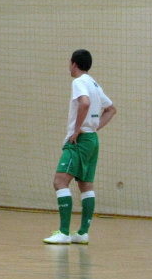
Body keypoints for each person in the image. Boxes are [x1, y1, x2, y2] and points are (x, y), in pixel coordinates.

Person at [43, 49, 116, 244]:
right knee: (85, 185)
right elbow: (111, 109)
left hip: (80, 140)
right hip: (92, 140)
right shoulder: (94, 83)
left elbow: (84, 103)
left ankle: (64, 233)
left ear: (74, 63)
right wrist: (94, 127)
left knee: (60, 181)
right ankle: (83, 232)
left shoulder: (79, 82)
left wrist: (76, 130)